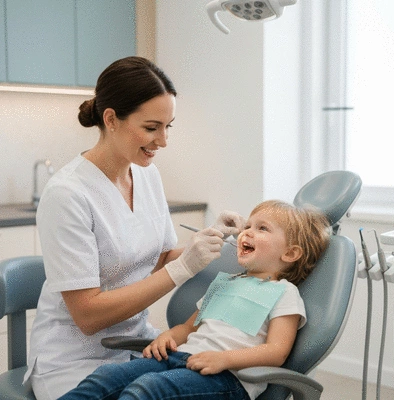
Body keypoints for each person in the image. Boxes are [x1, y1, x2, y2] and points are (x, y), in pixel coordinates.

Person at [23, 56, 245, 400]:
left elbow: (154, 260)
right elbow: (88, 315)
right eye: (151, 127)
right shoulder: (67, 195)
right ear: (111, 119)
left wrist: (208, 239)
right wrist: (183, 267)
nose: (163, 141)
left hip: (137, 345)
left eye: (168, 127)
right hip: (74, 360)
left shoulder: (146, 174)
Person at [59, 200, 330, 400]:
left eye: (262, 228)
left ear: (291, 253)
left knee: (147, 390)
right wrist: (168, 338)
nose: (246, 232)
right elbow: (189, 329)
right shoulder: (224, 282)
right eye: (247, 226)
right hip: (182, 358)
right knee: (106, 377)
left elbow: (276, 351)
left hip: (228, 378)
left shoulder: (284, 292)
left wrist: (224, 359)